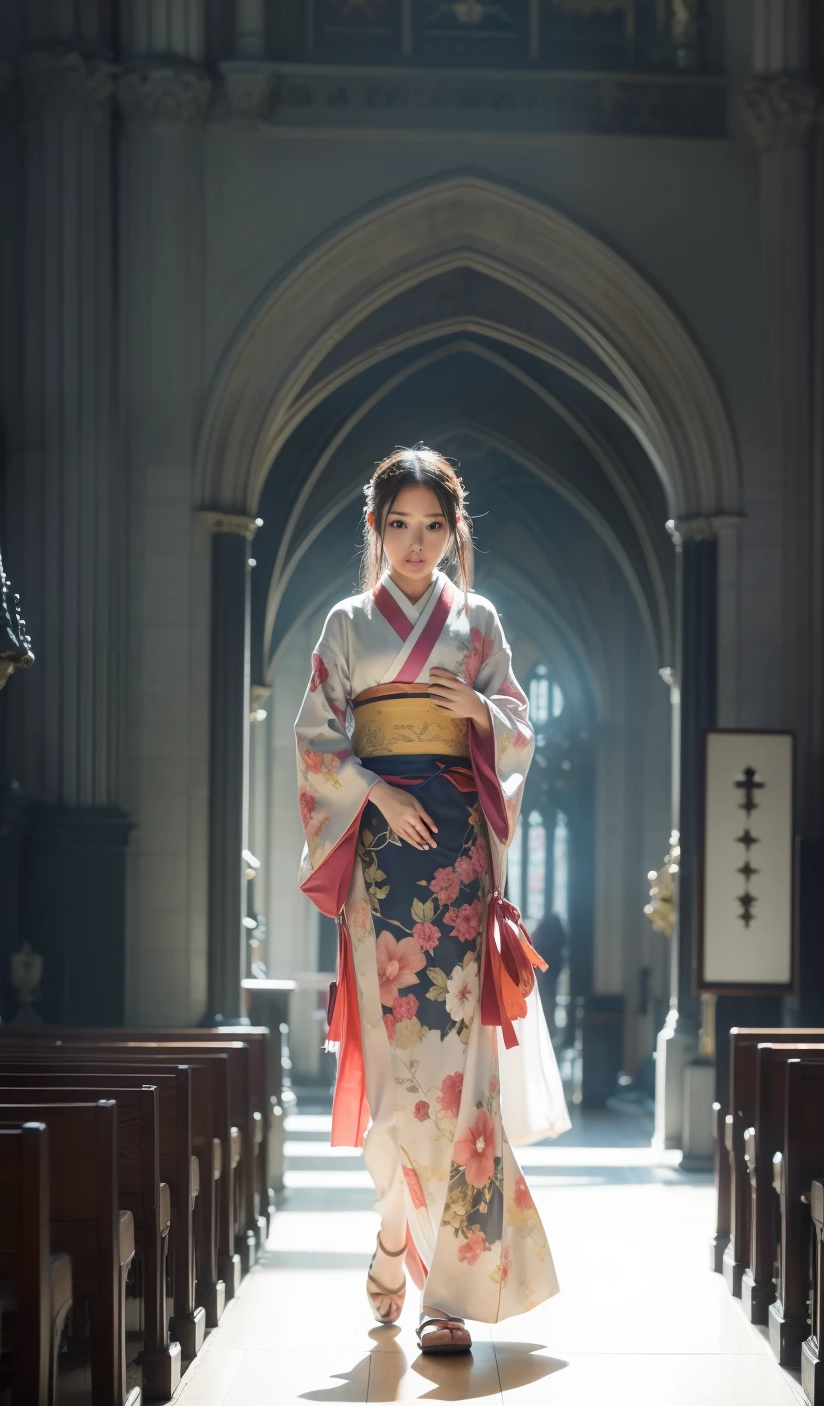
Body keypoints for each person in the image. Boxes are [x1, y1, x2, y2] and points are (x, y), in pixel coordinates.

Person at [295, 446, 568, 1354]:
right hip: (383, 863)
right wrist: (376, 790)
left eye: (434, 527)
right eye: (400, 526)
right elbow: (316, 739)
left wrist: (484, 715)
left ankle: (445, 1297)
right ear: (376, 530)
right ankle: (392, 1230)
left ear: (455, 535)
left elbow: (523, 727)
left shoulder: (478, 620)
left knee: (463, 1083)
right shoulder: (344, 625)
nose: (417, 544)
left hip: (459, 865)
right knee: (395, 1072)